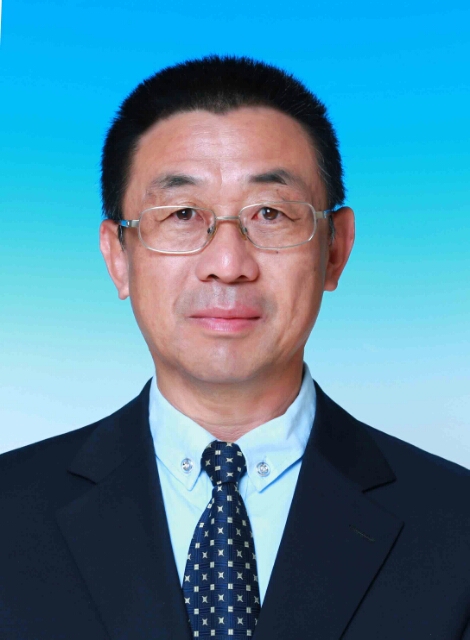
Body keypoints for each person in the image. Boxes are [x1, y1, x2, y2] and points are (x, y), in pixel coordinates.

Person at [0, 55, 469, 640]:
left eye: (270, 213)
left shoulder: (457, 527)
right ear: (118, 257)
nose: (227, 264)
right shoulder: (9, 513)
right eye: (182, 214)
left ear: (335, 249)